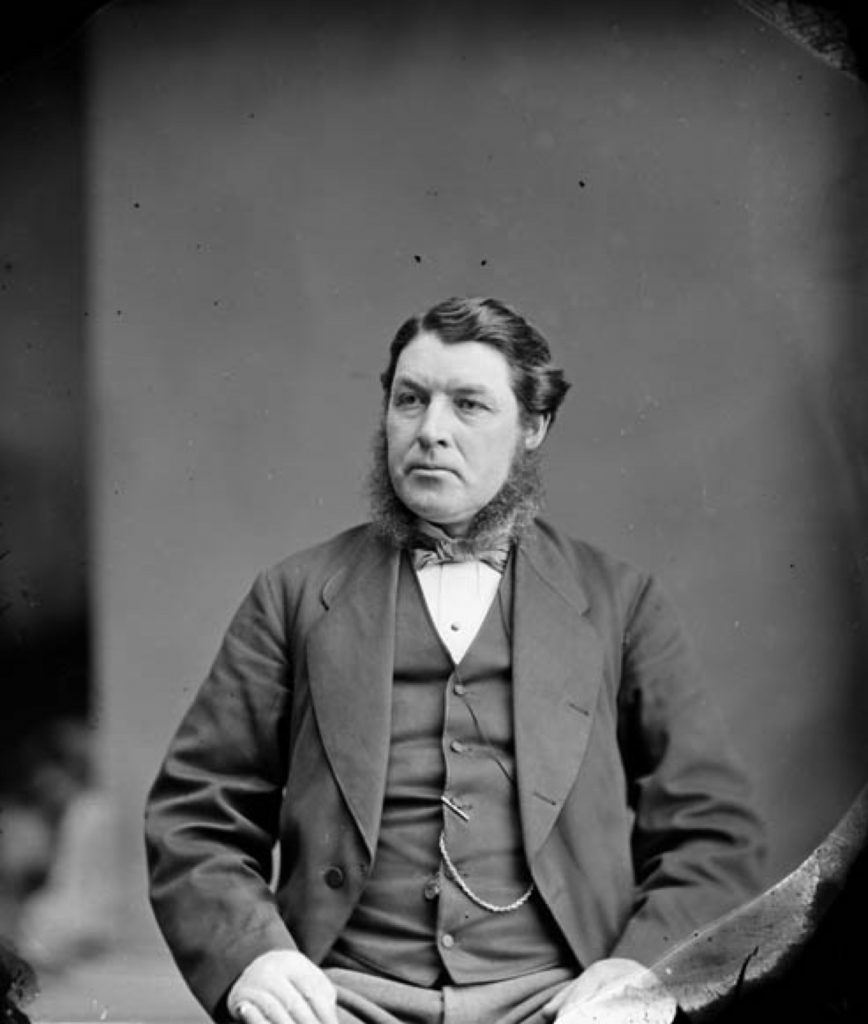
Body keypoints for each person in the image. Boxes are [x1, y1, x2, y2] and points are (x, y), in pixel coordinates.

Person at [144, 296, 765, 1024]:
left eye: (469, 405)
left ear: (533, 427)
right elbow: (196, 813)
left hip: (563, 997)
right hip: (342, 995)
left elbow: (713, 830)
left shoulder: (621, 603)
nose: (430, 431)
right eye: (410, 400)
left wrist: (644, 971)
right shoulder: (293, 595)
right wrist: (254, 957)